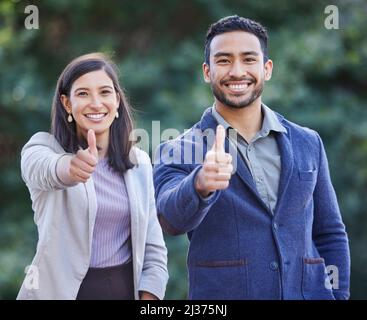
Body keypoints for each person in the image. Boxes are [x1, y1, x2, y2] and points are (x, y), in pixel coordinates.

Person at [153, 16, 350, 299]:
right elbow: (167, 218)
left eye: (248, 59)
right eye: (223, 61)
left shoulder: (308, 142)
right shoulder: (179, 149)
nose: (237, 71)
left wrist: (339, 295)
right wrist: (200, 184)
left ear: (266, 69)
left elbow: (330, 232)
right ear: (207, 71)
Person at [18, 53, 168, 300]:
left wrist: (150, 297)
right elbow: (41, 168)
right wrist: (69, 168)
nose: (96, 103)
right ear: (67, 104)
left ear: (117, 100)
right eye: (83, 94)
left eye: (105, 92)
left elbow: (153, 248)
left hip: (124, 291)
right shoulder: (43, 148)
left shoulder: (139, 163)